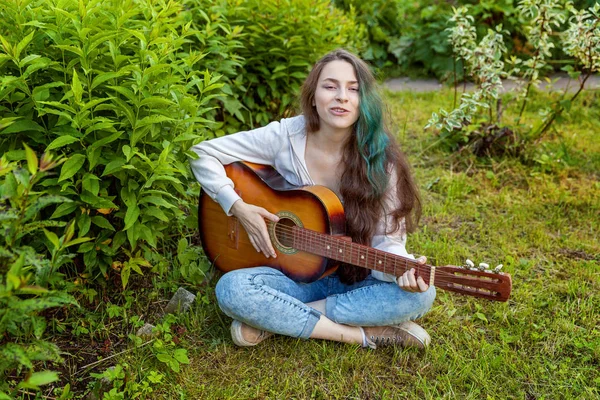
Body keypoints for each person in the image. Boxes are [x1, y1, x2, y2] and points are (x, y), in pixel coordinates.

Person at [190, 49, 436, 349]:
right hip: (290, 276)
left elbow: (388, 241)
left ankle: (278, 319)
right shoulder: (285, 136)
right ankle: (359, 334)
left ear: (364, 101)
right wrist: (238, 207)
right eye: (330, 86)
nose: (342, 96)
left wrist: (403, 269)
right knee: (231, 289)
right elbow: (201, 153)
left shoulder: (381, 161)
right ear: (313, 96)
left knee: (423, 293)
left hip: (354, 275)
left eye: (353, 89)